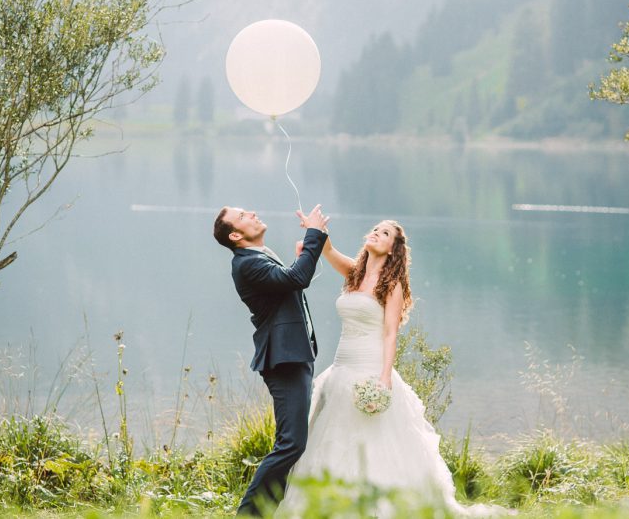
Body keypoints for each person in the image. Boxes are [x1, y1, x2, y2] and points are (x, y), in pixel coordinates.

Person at [278, 220, 506, 516]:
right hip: (340, 369)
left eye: (385, 233)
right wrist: (315, 229)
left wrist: (384, 377)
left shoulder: (391, 285)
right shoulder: (355, 273)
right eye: (376, 229)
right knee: (333, 437)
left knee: (373, 440)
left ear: (392, 249)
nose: (377, 233)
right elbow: (328, 250)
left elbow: (389, 334)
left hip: (370, 368)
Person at [213, 204, 330, 517]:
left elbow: (290, 281)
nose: (251, 213)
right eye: (242, 216)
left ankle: (263, 511)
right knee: (291, 444)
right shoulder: (247, 263)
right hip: (284, 360)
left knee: (292, 443)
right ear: (235, 235)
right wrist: (314, 234)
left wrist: (304, 254)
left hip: (293, 355)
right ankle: (250, 514)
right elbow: (297, 278)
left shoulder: (257, 256)